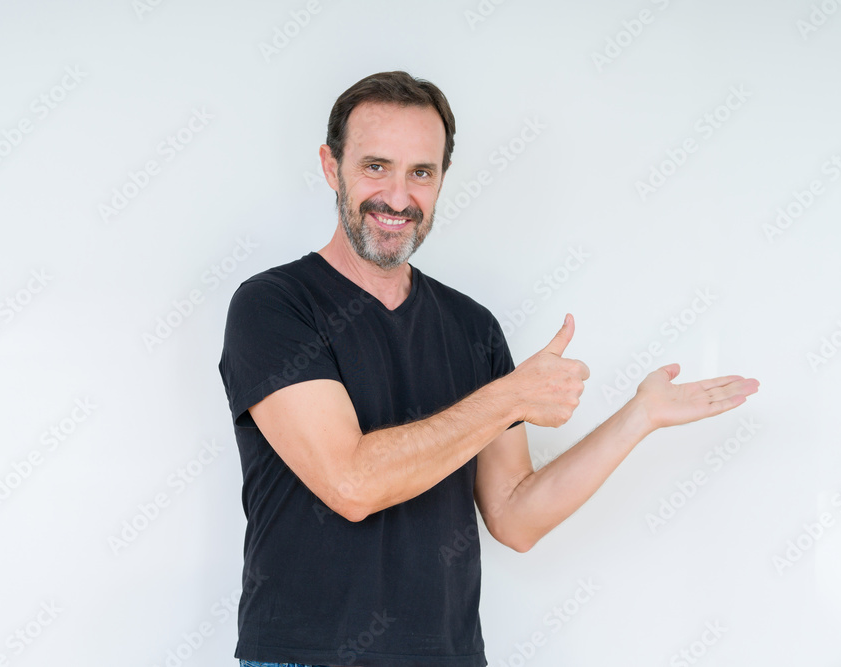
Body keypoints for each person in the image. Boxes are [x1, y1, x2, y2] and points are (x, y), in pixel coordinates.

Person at [218, 70, 759, 667]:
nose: (398, 198)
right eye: (376, 166)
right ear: (330, 166)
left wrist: (639, 417)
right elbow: (352, 485)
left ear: (442, 179)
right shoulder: (273, 306)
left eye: (420, 173)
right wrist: (511, 398)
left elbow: (515, 517)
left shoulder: (471, 328)